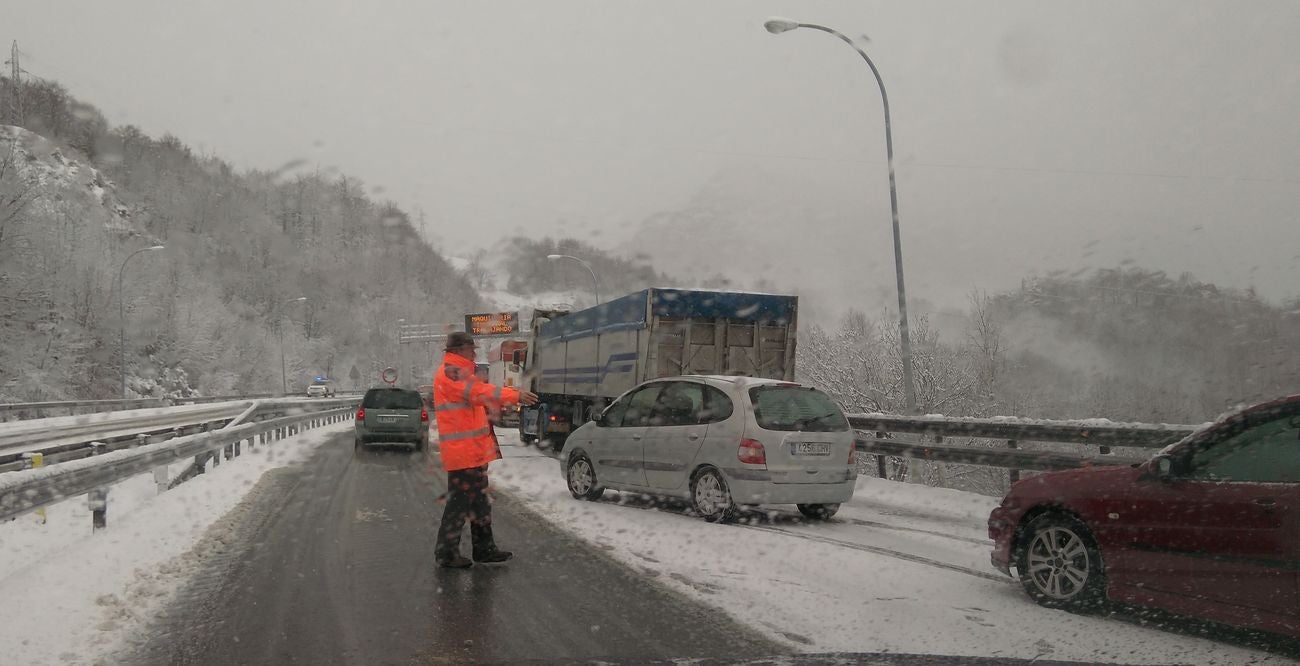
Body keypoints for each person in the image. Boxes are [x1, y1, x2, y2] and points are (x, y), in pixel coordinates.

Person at [432, 331, 538, 569]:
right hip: (463, 453)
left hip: (471, 452)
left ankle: (484, 549)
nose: (475, 352)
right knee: (459, 504)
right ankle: (447, 553)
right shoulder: (452, 372)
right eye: (472, 348)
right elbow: (481, 393)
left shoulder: (460, 372)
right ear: (459, 350)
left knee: (479, 502)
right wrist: (515, 395)